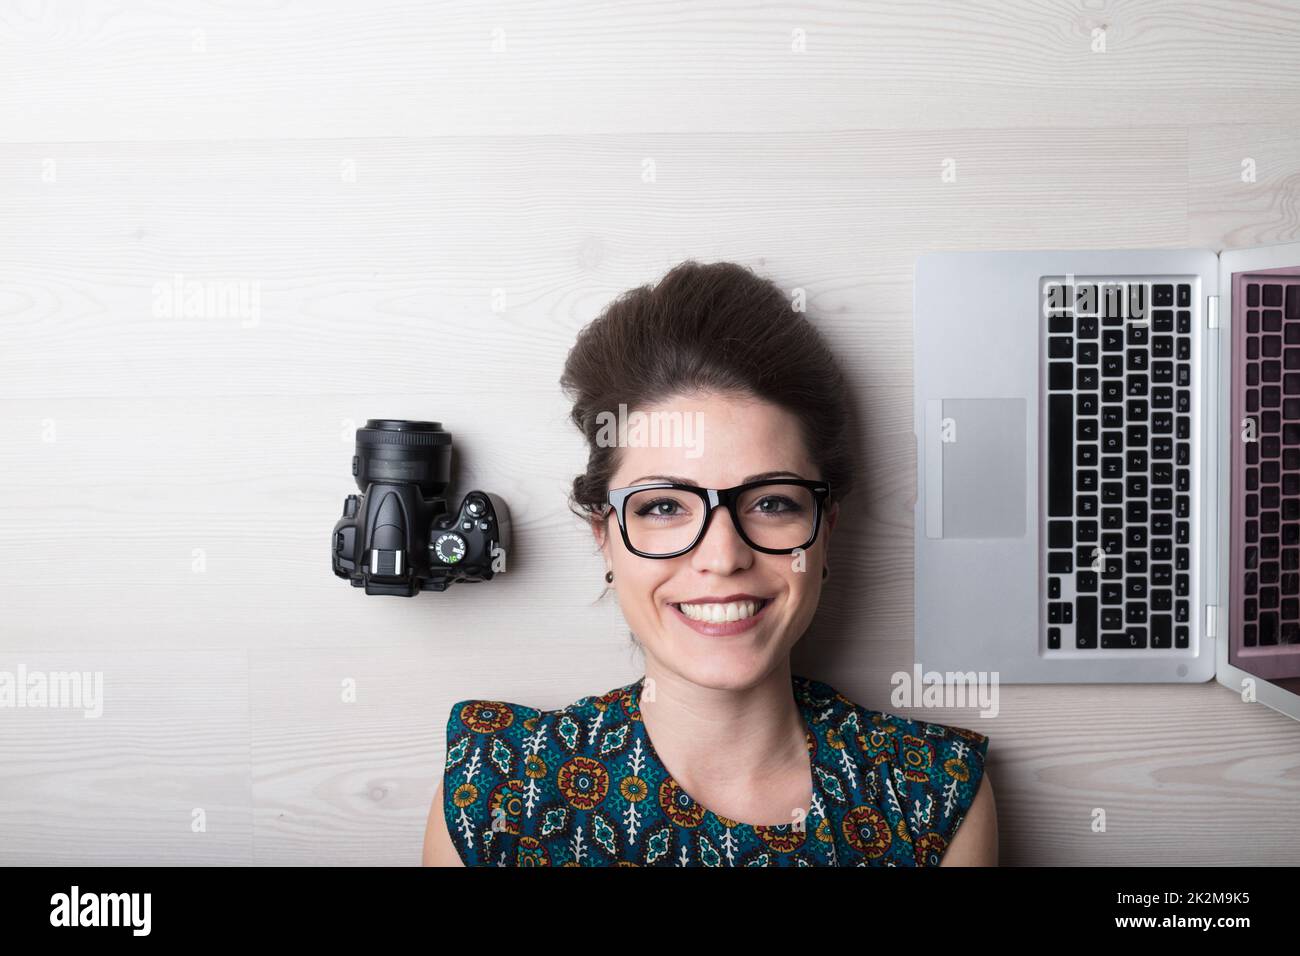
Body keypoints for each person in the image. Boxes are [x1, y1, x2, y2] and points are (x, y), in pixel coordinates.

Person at [423, 260, 997, 866]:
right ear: (605, 536)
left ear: (824, 532)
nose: (723, 556)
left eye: (772, 502)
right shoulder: (495, 793)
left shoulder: (931, 796)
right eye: (664, 506)